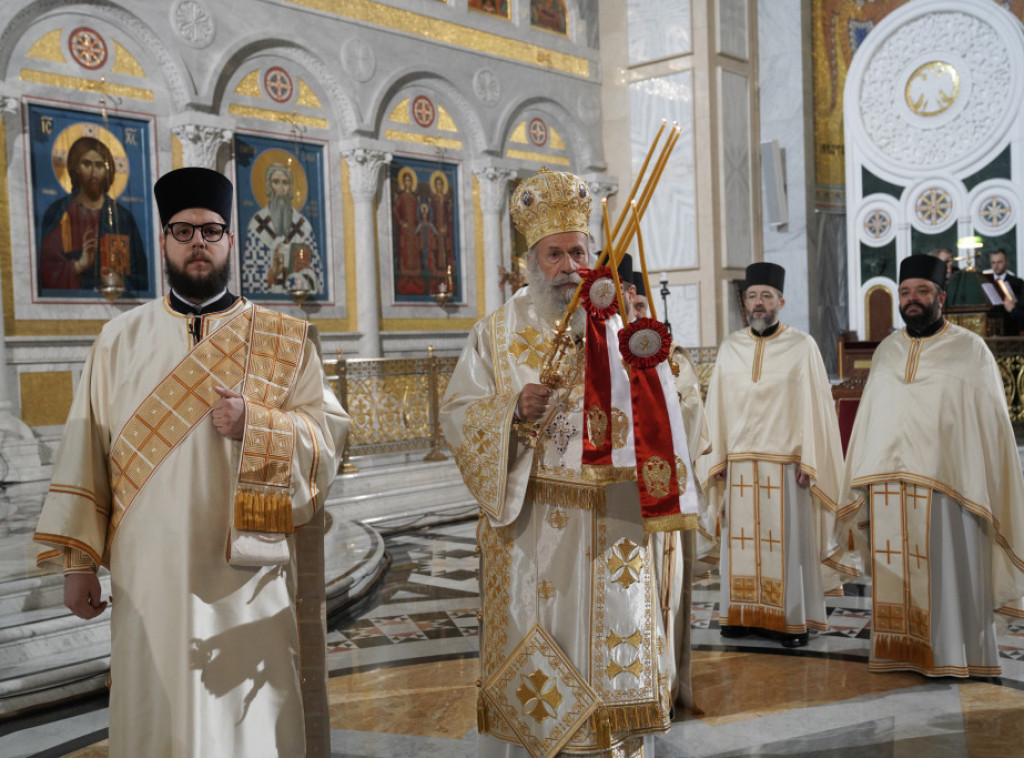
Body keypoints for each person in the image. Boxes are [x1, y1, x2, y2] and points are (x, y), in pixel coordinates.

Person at [33, 167, 349, 756]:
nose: (197, 242)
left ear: (231, 240)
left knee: (245, 723)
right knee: (158, 713)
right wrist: (79, 563)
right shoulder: (118, 340)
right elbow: (85, 453)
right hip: (147, 575)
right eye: (182, 231)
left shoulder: (284, 337)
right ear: (165, 242)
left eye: (210, 230)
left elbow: (327, 440)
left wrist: (259, 426)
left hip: (246, 576)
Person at [440, 168, 708, 757]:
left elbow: (678, 420)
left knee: (611, 651)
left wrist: (657, 361)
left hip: (613, 529)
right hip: (530, 528)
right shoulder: (497, 331)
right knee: (539, 659)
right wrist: (511, 408)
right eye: (554, 254)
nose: (568, 266)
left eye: (578, 252)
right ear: (530, 261)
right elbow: (456, 412)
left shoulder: (622, 327)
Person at [839, 254, 1024, 677]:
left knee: (949, 572)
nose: (912, 299)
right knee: (897, 572)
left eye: (922, 291)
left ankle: (954, 654)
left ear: (940, 296)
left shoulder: (969, 349)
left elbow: (988, 423)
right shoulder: (887, 350)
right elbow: (874, 416)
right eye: (905, 292)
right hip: (889, 484)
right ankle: (900, 651)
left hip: (950, 485)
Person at [698, 262, 849, 649]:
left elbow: (816, 407)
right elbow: (717, 405)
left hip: (787, 466)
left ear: (781, 301)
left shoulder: (802, 346)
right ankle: (739, 614)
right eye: (752, 296)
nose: (759, 303)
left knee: (787, 545)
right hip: (740, 466)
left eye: (766, 296)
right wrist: (717, 457)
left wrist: (809, 459)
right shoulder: (731, 347)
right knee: (740, 541)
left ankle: (791, 620)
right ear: (744, 303)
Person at [38, 136, 148, 294]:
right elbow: (46, 268)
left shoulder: (122, 217)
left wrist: (120, 282)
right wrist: (79, 265)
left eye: (100, 165)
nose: (94, 172)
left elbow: (141, 275)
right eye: (86, 164)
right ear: (75, 167)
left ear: (107, 170)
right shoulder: (59, 212)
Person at [243, 161, 323, 296]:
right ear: (268, 186)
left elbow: (316, 274)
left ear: (290, 188)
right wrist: (272, 274)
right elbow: (249, 276)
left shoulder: (303, 226)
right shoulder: (257, 225)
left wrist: (301, 277)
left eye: (285, 183)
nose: (281, 189)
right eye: (276, 182)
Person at [987, 249, 1024, 335]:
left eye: (999, 262)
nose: (996, 266)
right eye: (993, 263)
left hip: (1011, 327)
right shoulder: (986, 281)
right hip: (991, 327)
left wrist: (1013, 309)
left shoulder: (1018, 283)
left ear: (1007, 263)